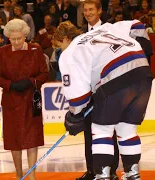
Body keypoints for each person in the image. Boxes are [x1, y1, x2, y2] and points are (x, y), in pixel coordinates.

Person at [54, 20, 153, 180]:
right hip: (143, 73)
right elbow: (137, 25)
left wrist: (74, 116)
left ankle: (102, 175)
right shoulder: (105, 29)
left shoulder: (70, 52)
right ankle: (132, 174)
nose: (60, 49)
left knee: (102, 130)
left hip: (115, 79)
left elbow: (78, 95)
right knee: (127, 130)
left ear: (65, 39)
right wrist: (146, 51)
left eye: (59, 45)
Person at [0, 19, 49, 180]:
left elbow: (44, 74)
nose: (16, 42)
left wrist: (31, 82)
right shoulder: (3, 52)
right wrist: (10, 85)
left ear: (25, 35)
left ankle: (32, 175)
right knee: (14, 138)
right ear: (8, 37)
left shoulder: (35, 49)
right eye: (12, 39)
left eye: (19, 38)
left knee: (32, 138)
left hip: (31, 100)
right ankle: (18, 174)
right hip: (11, 100)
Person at [80, 1, 120, 179]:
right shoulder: (80, 35)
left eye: (91, 10)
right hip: (88, 91)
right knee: (88, 131)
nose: (88, 13)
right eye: (85, 10)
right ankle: (92, 170)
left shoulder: (110, 32)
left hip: (108, 90)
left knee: (109, 131)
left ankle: (111, 170)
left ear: (99, 11)